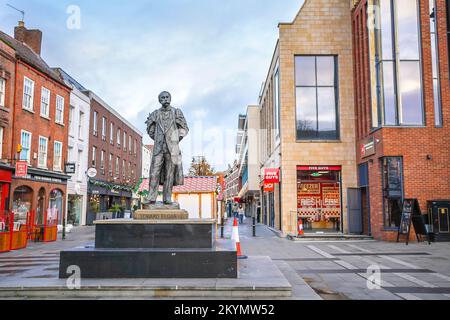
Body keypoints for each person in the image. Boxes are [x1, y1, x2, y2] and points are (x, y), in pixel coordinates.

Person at [145, 91, 189, 205]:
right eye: (163, 98)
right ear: (160, 100)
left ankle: (167, 197)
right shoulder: (155, 113)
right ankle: (151, 197)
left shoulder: (176, 112)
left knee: (169, 174)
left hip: (172, 148)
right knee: (154, 173)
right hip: (158, 148)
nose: (165, 99)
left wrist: (175, 139)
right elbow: (150, 130)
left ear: (170, 99)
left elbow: (184, 129)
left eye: (167, 97)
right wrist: (156, 137)